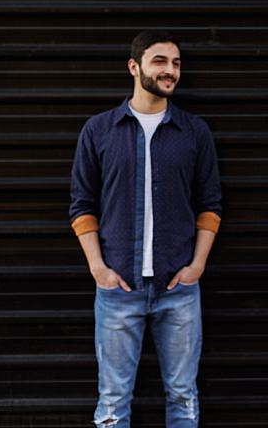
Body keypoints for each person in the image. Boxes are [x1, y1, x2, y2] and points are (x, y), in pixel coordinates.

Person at [69, 30, 222, 428]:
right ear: (134, 67)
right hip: (118, 288)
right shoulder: (99, 130)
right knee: (112, 403)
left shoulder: (194, 131)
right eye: (160, 61)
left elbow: (210, 206)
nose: (170, 71)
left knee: (184, 398)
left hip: (179, 289)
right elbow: (82, 206)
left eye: (176, 63)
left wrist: (197, 266)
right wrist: (98, 269)